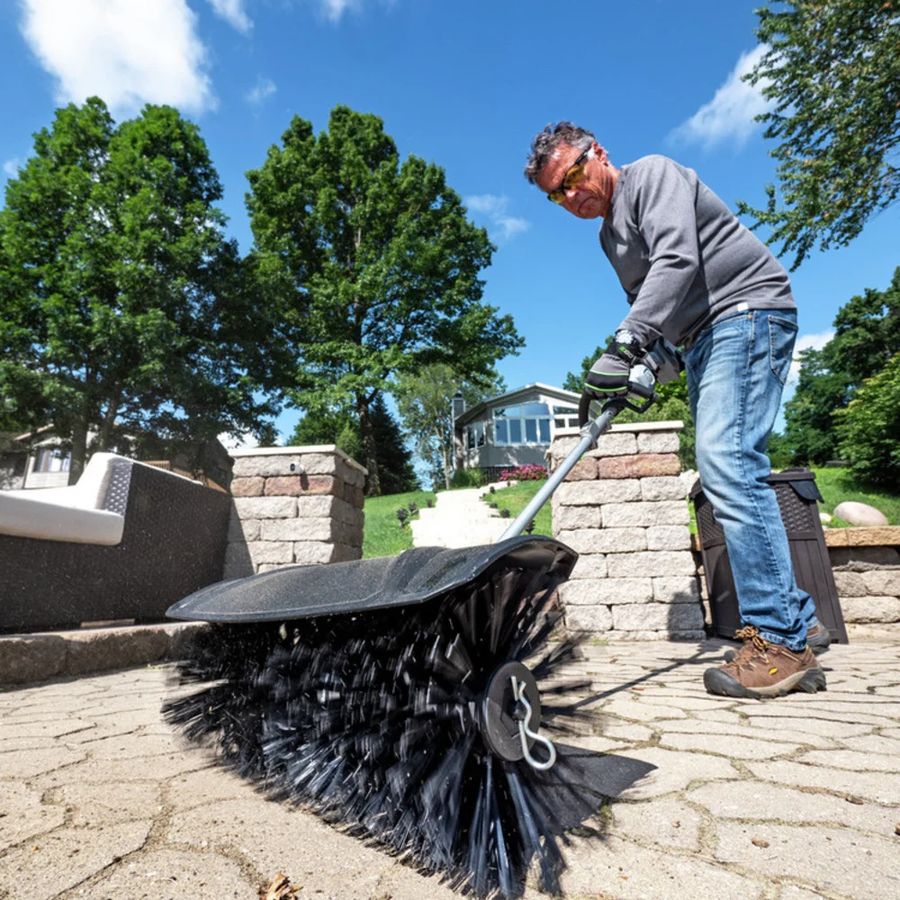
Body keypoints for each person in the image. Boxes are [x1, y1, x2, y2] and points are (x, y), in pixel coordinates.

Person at [524, 122, 829, 700]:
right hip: (703, 339)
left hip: (745, 310)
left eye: (572, 177)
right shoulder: (608, 239)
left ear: (599, 154)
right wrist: (639, 372)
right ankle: (799, 620)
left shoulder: (652, 176)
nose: (570, 196)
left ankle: (781, 643)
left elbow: (678, 262)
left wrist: (625, 344)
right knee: (728, 467)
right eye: (555, 195)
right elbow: (659, 319)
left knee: (728, 464)